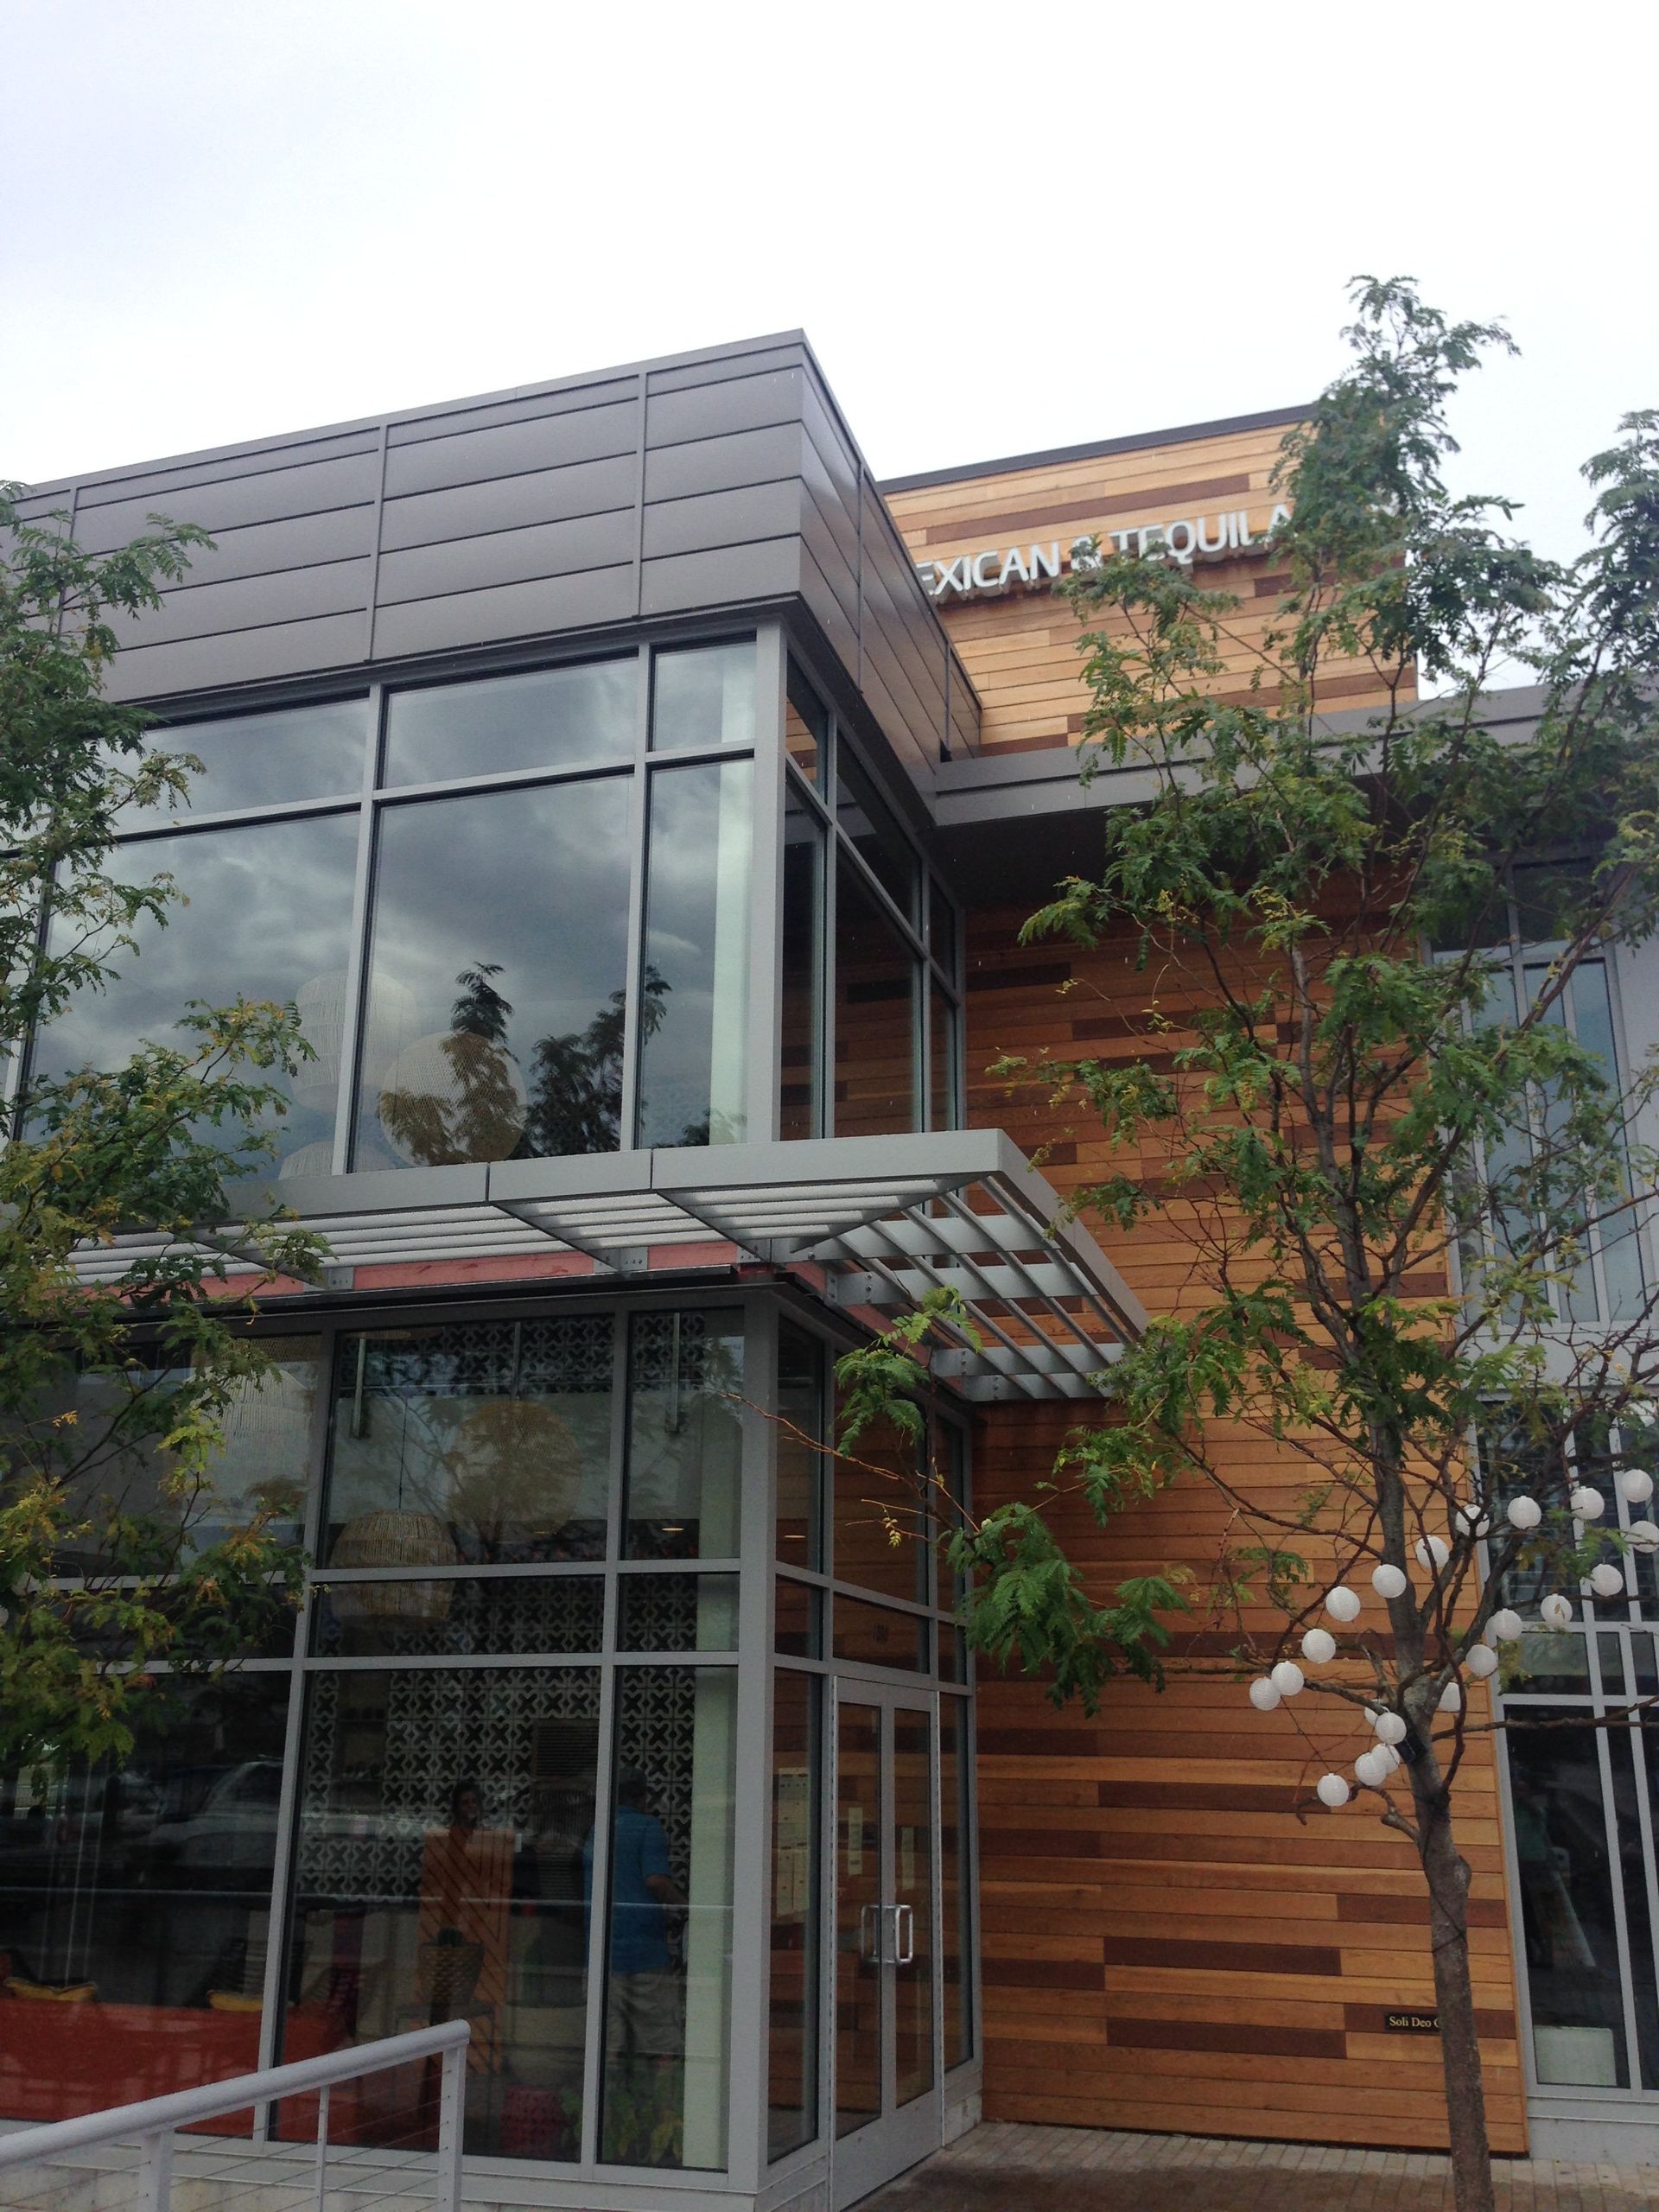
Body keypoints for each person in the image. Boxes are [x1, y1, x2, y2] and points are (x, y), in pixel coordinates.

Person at [590, 1768, 685, 2067]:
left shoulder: (597, 1830)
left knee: (610, 2042)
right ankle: (662, 2092)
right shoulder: (646, 1827)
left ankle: (611, 2092)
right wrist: (685, 1906)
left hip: (604, 1951)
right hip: (644, 1950)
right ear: (642, 1797)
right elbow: (655, 1881)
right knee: (660, 2038)